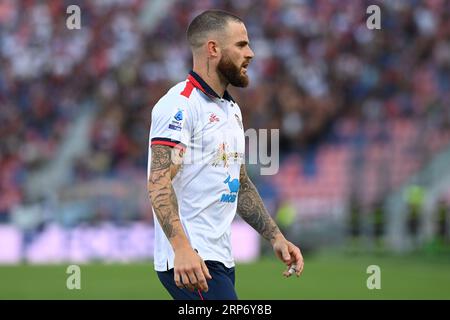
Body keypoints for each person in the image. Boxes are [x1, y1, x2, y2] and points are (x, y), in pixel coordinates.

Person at [147, 9, 304, 300]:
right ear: (213, 49)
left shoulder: (230, 110)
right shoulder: (180, 106)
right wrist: (182, 249)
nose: (251, 53)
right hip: (192, 262)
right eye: (242, 45)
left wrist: (276, 237)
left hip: (220, 258)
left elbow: (239, 183)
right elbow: (158, 181)